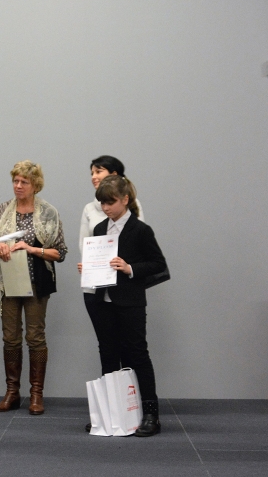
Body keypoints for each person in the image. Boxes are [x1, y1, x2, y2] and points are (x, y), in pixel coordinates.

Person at [78, 175, 166, 437]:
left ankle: (150, 414)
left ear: (125, 199)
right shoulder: (99, 228)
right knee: (108, 353)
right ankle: (111, 414)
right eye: (102, 203)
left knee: (137, 353)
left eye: (110, 202)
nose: (106, 208)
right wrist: (88, 268)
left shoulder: (140, 230)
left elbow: (158, 264)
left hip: (130, 301)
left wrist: (130, 268)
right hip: (102, 300)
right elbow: (98, 262)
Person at [0, 161, 67, 415]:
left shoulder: (48, 213)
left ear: (36, 185)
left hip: (37, 283)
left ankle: (36, 394)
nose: (18, 186)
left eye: (24, 182)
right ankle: (12, 392)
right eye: (16, 181)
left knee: (35, 337)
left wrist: (32, 249)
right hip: (8, 282)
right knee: (10, 337)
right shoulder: (1, 210)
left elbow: (60, 253)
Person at [79, 155, 145, 253]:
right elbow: (84, 243)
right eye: (92, 173)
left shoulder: (132, 202)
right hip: (100, 260)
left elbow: (140, 237)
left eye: (98, 172)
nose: (93, 177)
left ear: (114, 175)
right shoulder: (89, 208)